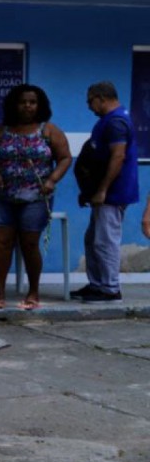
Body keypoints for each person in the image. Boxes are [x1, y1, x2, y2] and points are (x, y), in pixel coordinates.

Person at [0, 83, 71, 310]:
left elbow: (65, 158)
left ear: (39, 105)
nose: (27, 106)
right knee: (1, 244)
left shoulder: (48, 130)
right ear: (14, 105)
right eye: (23, 102)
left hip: (36, 198)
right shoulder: (1, 131)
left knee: (29, 244)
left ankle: (33, 293)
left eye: (32, 102)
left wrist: (52, 181)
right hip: (3, 197)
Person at [72, 81, 140, 303]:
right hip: (104, 192)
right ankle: (97, 284)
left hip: (113, 193)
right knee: (92, 239)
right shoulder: (108, 121)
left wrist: (102, 190)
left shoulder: (116, 122)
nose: (89, 106)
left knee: (105, 240)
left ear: (101, 98)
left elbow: (117, 156)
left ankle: (110, 288)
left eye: (90, 101)